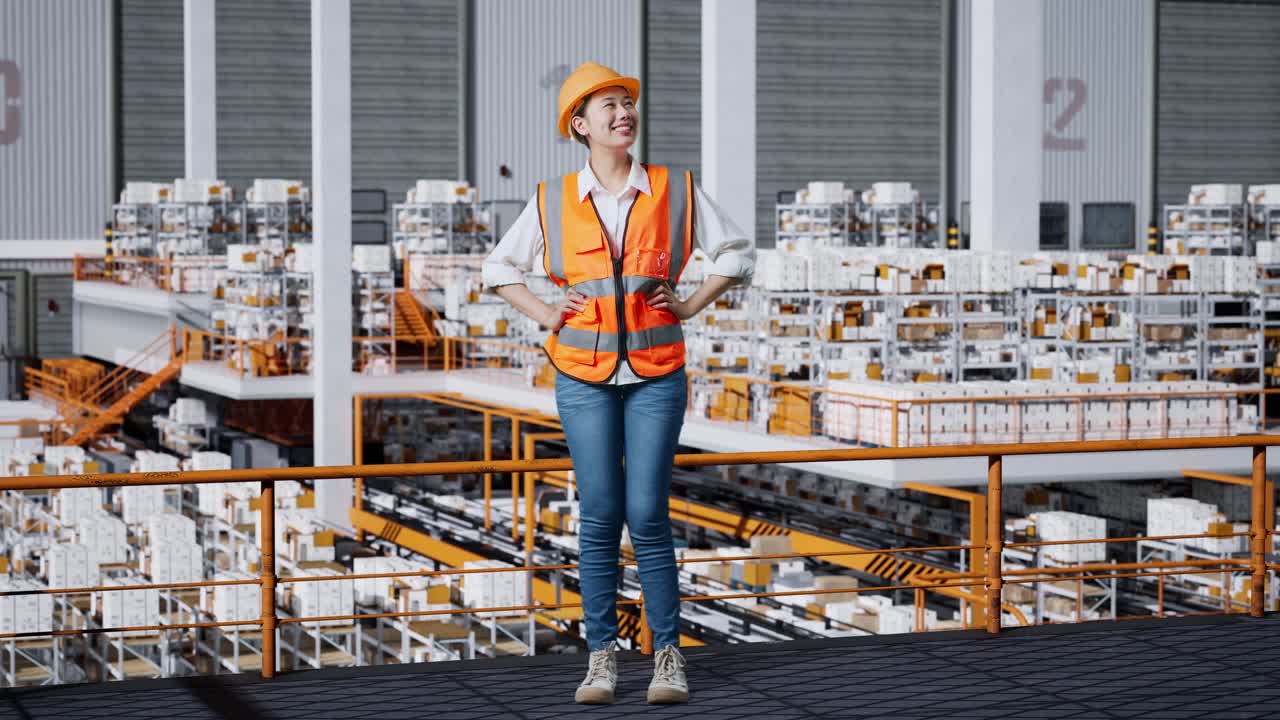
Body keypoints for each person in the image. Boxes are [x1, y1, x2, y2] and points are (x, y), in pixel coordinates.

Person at [481, 60, 755, 705]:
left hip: (657, 375)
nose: (622, 113)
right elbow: (499, 267)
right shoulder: (551, 200)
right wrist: (547, 313)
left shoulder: (674, 189)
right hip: (582, 374)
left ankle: (667, 658)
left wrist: (689, 305)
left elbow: (738, 254)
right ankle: (600, 657)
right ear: (579, 124)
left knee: (647, 514)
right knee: (600, 515)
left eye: (626, 103)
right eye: (606, 106)